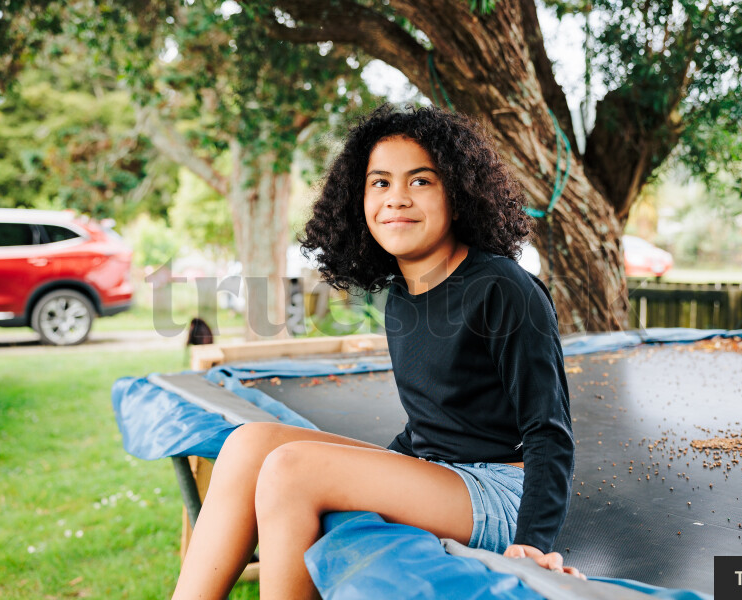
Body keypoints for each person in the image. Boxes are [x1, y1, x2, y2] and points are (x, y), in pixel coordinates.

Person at [171, 103, 580, 600]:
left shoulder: (504, 288)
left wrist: (532, 545)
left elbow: (549, 431)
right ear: (358, 200)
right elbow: (431, 425)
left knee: (292, 470)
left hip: (498, 496)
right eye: (381, 183)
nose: (397, 199)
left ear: (459, 192)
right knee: (249, 445)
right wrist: (372, 476)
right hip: (438, 475)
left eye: (421, 181)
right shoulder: (403, 293)